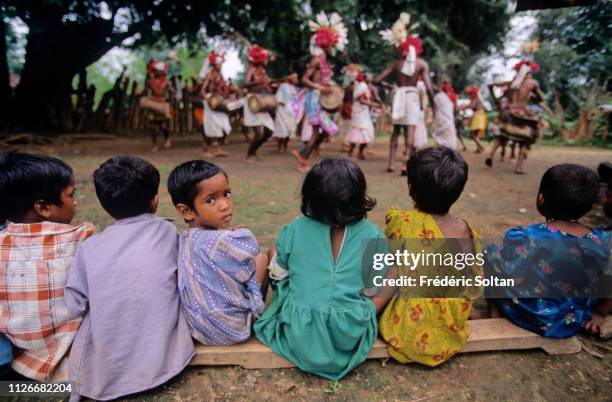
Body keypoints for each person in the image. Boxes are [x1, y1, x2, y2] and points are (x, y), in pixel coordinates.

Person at [64, 157, 194, 400]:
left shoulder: (90, 248)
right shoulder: (167, 232)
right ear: (154, 200)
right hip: (167, 360)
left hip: (107, 369)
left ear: (104, 204)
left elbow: (75, 305)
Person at [255, 157, 383, 380]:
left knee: (273, 254)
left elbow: (281, 273)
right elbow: (375, 286)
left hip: (300, 332)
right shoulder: (373, 235)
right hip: (348, 332)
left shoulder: (294, 229)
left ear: (311, 198)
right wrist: (367, 309)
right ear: (359, 197)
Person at [373, 146, 482, 366]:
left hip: (407, 331)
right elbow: (473, 285)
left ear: (410, 188)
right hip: (450, 331)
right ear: (458, 191)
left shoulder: (404, 223)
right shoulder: (467, 230)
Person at [0, 151, 94, 382]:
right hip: (76, 355)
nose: (75, 202)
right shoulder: (82, 238)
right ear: (43, 207)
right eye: (71, 196)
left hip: (22, 357)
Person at [484, 164, 609, 338]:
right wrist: (600, 313)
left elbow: (514, 278)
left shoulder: (526, 237)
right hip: (572, 320)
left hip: (532, 316)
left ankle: (495, 310)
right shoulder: (602, 241)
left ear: (541, 198)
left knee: (490, 253)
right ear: (589, 207)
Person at [167, 160, 268, 345]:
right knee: (262, 258)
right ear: (187, 211)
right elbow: (251, 247)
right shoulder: (221, 240)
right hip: (231, 329)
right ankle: (257, 310)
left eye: (226, 194)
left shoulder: (188, 237)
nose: (225, 205)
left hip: (200, 329)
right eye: (211, 200)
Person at [376, 13, 435, 173]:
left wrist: (389, 87)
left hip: (399, 96)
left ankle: (391, 163)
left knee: (396, 131)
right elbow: (429, 88)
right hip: (412, 97)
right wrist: (434, 107)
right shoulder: (421, 64)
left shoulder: (397, 64)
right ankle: (405, 164)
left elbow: (377, 79)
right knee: (410, 131)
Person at [291, 11, 348, 172]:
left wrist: (332, 87)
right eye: (332, 43)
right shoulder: (316, 59)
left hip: (319, 98)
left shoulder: (323, 60)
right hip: (313, 99)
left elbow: (321, 80)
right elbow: (304, 80)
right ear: (326, 43)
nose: (333, 47)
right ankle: (303, 160)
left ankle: (302, 153)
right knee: (317, 131)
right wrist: (321, 88)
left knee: (325, 130)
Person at [487, 60, 543, 174]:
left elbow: (491, 86)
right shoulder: (532, 83)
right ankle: (518, 167)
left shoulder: (511, 83)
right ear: (529, 73)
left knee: (501, 136)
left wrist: (496, 100)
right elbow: (541, 98)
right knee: (525, 141)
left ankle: (490, 155)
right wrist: (534, 95)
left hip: (508, 113)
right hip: (521, 114)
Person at [243, 45, 277, 162]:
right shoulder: (251, 69)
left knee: (269, 131)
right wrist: (259, 81)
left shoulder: (262, 71)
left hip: (261, 102)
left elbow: (269, 81)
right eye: (266, 58)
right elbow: (246, 84)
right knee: (258, 133)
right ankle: (249, 155)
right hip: (252, 102)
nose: (267, 60)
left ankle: (254, 151)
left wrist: (279, 81)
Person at [200, 52, 232, 157]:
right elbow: (203, 90)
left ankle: (217, 148)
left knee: (225, 126)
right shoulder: (210, 75)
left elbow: (223, 90)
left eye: (221, 64)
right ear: (214, 65)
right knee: (213, 127)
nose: (220, 66)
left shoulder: (221, 76)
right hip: (211, 102)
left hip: (218, 101)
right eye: (218, 64)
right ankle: (209, 149)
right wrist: (208, 99)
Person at [144, 59, 175, 151]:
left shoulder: (166, 82)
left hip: (163, 105)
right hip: (153, 104)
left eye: (160, 71)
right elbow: (145, 92)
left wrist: (172, 90)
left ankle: (167, 138)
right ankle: (154, 144)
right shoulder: (150, 81)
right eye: (156, 70)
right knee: (152, 126)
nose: (158, 72)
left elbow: (173, 91)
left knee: (163, 125)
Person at [346, 72, 380, 159]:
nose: (371, 77)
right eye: (369, 76)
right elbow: (361, 100)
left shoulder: (361, 85)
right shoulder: (363, 86)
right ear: (365, 78)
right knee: (361, 130)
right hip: (360, 112)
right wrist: (373, 104)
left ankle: (358, 153)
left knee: (362, 131)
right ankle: (353, 152)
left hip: (361, 112)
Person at [273, 73, 300, 152]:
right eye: (294, 77)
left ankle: (285, 145)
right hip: (282, 110)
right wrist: (285, 105)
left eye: (296, 78)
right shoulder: (283, 86)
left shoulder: (293, 88)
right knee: (283, 129)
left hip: (291, 111)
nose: (296, 79)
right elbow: (278, 98)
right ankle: (280, 146)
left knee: (290, 130)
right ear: (289, 78)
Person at [433, 82, 458, 149]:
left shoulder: (437, 96)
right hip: (449, 119)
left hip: (439, 118)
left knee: (439, 138)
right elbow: (455, 109)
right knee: (449, 140)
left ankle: (437, 152)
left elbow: (435, 109)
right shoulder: (453, 96)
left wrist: (433, 119)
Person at [463, 85, 486, 153]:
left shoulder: (475, 98)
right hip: (482, 116)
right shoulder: (479, 98)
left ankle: (480, 146)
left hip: (477, 116)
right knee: (477, 134)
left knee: (473, 134)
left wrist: (464, 106)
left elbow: (472, 106)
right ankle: (478, 148)